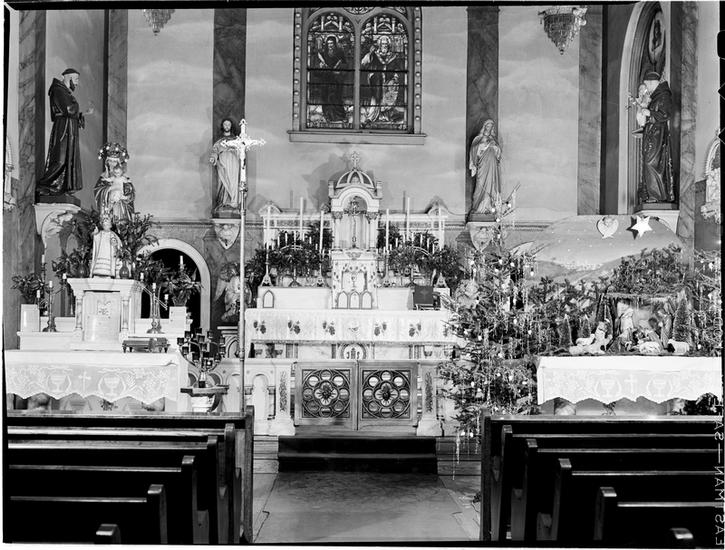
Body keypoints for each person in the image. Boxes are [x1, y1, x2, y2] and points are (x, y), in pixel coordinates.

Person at [36, 68, 94, 199]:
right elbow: (68, 109)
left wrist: (83, 114)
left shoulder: (65, 92)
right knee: (60, 159)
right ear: (69, 77)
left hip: (69, 128)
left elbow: (70, 112)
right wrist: (76, 106)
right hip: (63, 129)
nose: (77, 83)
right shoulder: (58, 90)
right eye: (76, 79)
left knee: (68, 159)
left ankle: (61, 187)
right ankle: (45, 185)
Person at [639, 71, 675, 204]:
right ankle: (652, 194)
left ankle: (657, 196)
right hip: (651, 134)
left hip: (657, 134)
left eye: (647, 85)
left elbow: (665, 115)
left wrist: (650, 113)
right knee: (648, 162)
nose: (647, 88)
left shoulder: (664, 95)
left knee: (652, 163)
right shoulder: (655, 96)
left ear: (651, 83)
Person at [360, 35, 405, 124]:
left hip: (389, 81)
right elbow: (363, 63)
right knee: (376, 98)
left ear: (388, 45)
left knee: (388, 98)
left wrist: (395, 77)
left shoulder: (393, 56)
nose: (384, 46)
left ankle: (386, 116)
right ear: (379, 45)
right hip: (377, 81)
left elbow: (397, 68)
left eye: (386, 44)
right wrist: (370, 53)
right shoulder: (374, 54)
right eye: (382, 44)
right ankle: (371, 117)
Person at [468, 119, 502, 215]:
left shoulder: (493, 140)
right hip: (482, 165)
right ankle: (478, 206)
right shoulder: (478, 139)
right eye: (488, 126)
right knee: (480, 184)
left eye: (491, 126)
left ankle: (489, 206)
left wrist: (495, 147)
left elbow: (499, 154)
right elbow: (474, 150)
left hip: (492, 166)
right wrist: (485, 145)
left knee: (492, 184)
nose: (489, 128)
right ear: (484, 127)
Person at [94, 145, 135, 222]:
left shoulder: (124, 177)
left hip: (121, 206)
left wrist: (125, 197)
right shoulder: (104, 176)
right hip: (108, 205)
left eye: (115, 161)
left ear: (118, 163)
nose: (112, 164)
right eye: (110, 161)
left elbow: (131, 192)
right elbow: (97, 191)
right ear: (107, 162)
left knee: (120, 221)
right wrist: (109, 189)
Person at [209, 118, 241, 211]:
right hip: (222, 162)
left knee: (233, 180)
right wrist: (213, 157)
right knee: (223, 180)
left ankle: (234, 202)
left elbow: (240, 151)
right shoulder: (219, 140)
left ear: (231, 126)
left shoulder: (236, 140)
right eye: (225, 124)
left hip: (233, 161)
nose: (227, 126)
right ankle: (224, 202)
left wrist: (236, 151)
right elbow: (215, 150)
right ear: (222, 126)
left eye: (228, 125)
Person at [316, 36, 348, 123]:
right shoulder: (323, 54)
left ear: (335, 44)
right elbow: (316, 70)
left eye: (332, 43)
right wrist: (321, 66)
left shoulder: (340, 53)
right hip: (326, 79)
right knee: (326, 98)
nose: (330, 45)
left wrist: (339, 71)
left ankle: (340, 116)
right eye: (328, 43)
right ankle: (327, 116)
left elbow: (345, 65)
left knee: (336, 98)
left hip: (336, 80)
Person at [90, 212, 121, 278]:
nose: (105, 220)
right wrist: (94, 234)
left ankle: (109, 272)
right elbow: (95, 240)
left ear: (110, 224)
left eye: (107, 219)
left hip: (108, 256)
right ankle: (98, 272)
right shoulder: (99, 233)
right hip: (100, 254)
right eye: (104, 219)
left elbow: (118, 246)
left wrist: (115, 244)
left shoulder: (113, 234)